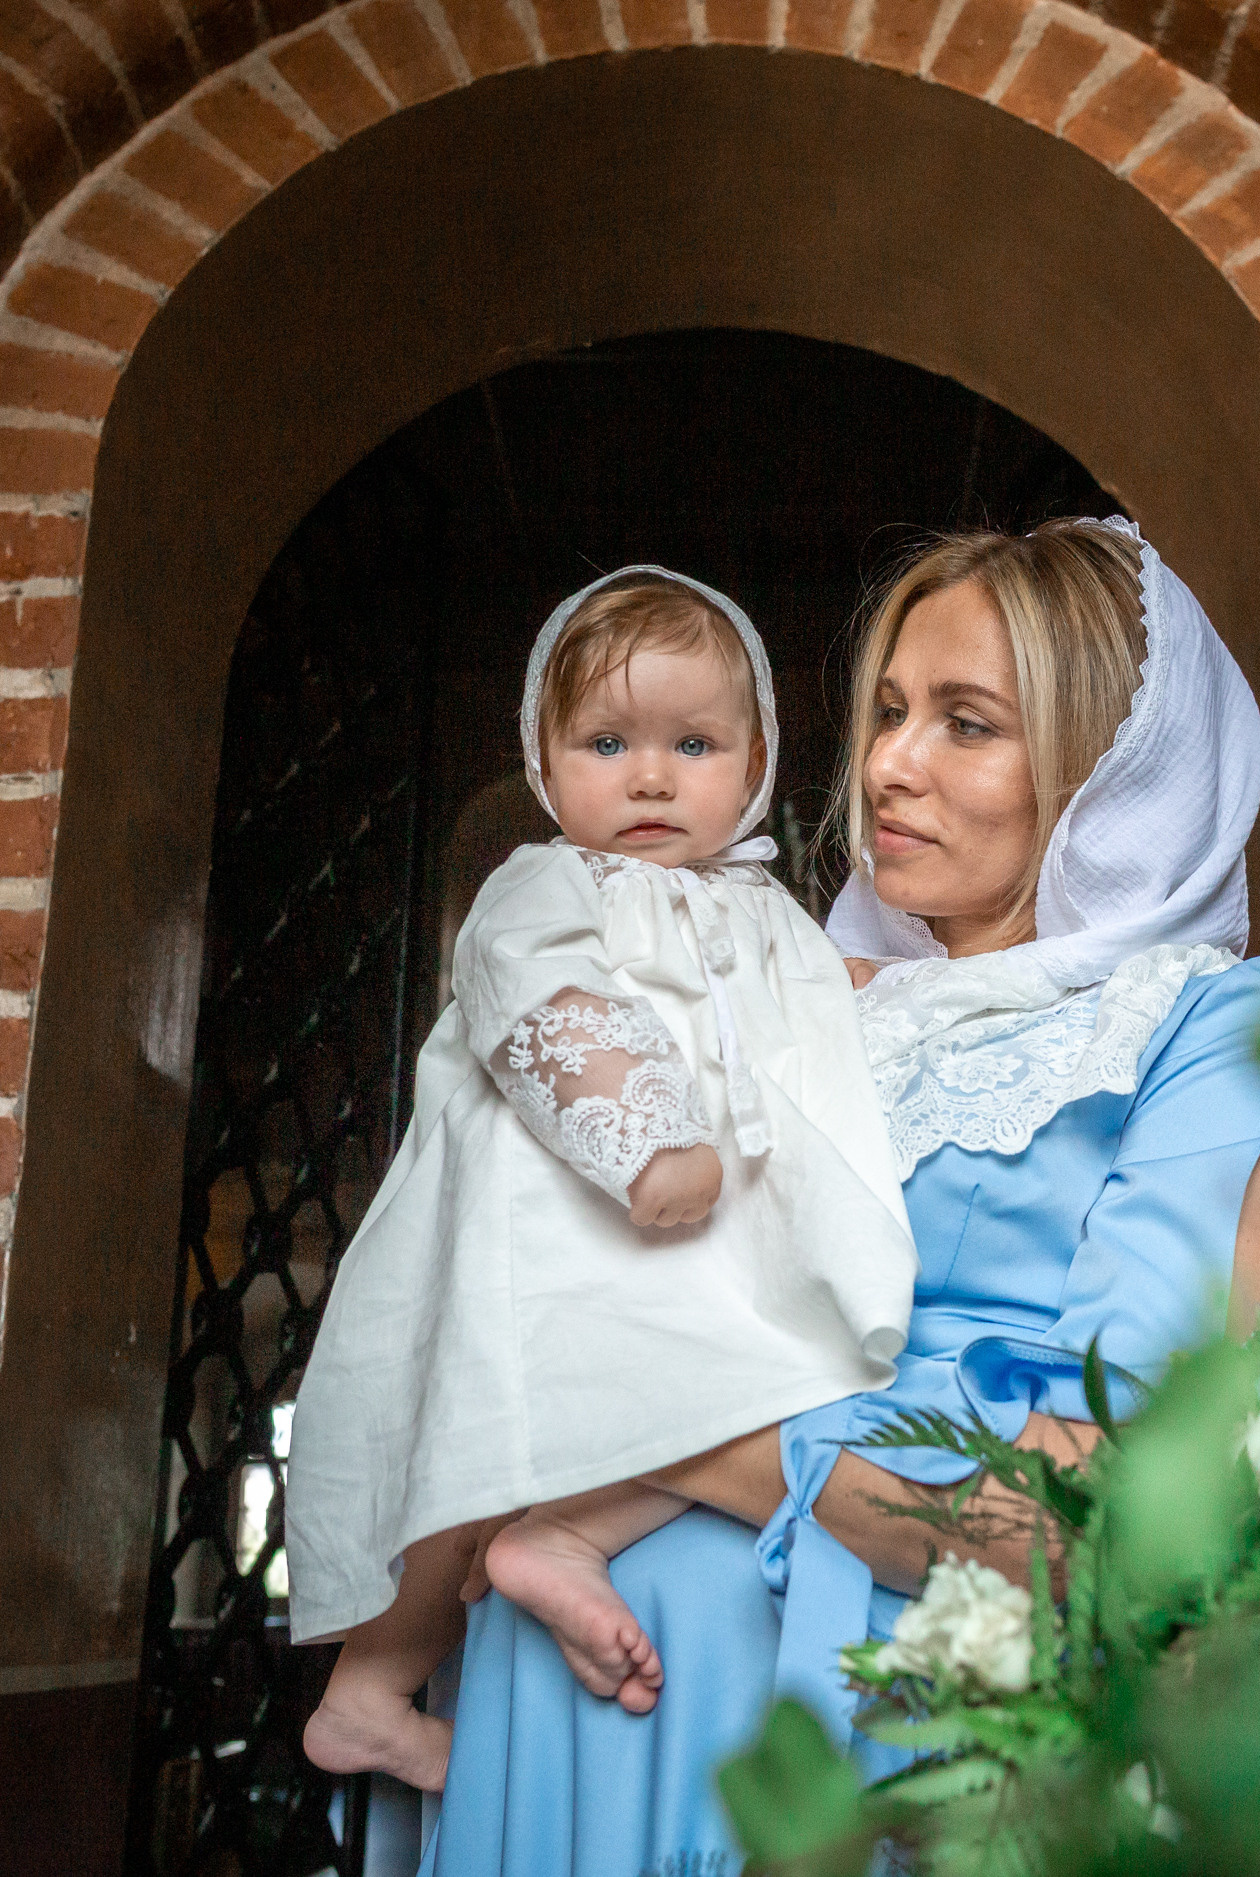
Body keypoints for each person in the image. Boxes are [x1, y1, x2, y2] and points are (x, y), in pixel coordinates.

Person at [408, 517, 1260, 1873]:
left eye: (967, 723)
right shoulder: (794, 998)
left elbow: (1097, 1517)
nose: (888, 765)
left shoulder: (1213, 1035)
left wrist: (641, 1428)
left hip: (874, 1721)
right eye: (890, 711)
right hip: (566, 1684)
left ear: (1107, 772)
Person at [287, 569, 920, 1788]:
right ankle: (372, 1682)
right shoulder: (548, 884)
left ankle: (550, 1542)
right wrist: (642, 1131)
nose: (648, 777)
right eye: (607, 741)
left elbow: (829, 1005)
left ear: (756, 761)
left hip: (697, 1235)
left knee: (737, 1387)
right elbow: (540, 996)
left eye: (692, 743)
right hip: (567, 1206)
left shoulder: (767, 907)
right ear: (542, 755)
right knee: (478, 1420)